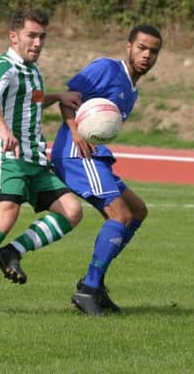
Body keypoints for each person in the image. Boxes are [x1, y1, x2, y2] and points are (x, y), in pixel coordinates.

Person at [0, 9, 83, 314]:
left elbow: (31, 98)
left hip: (35, 158)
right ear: (14, 36)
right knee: (5, 217)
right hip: (8, 156)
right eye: (31, 35)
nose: (37, 42)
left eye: (42, 37)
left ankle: (11, 252)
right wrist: (3, 129)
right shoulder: (3, 65)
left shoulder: (32, 71)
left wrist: (57, 96)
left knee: (72, 212)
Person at [50, 24, 163, 316]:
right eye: (142, 48)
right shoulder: (105, 68)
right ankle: (88, 289)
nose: (147, 55)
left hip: (97, 156)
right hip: (77, 153)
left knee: (137, 211)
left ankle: (95, 284)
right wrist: (74, 129)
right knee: (120, 215)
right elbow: (69, 96)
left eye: (153, 51)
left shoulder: (131, 89)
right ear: (128, 47)